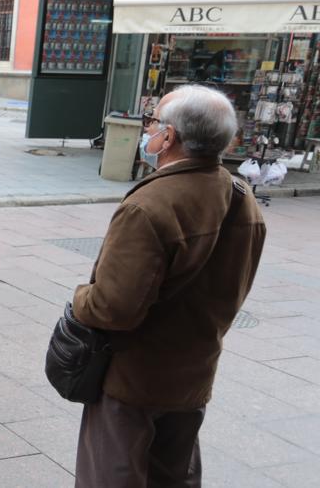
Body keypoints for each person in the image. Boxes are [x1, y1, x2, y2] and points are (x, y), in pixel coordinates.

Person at [71, 84, 265, 487]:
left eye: (153, 123)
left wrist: (79, 298)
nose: (148, 131)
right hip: (194, 371)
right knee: (174, 475)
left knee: (114, 474)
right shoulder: (241, 196)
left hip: (134, 379)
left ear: (170, 137)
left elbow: (112, 308)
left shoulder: (150, 205)